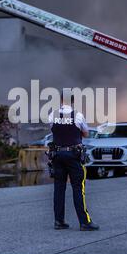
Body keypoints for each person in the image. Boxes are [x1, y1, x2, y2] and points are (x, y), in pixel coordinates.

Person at [48, 89, 99, 231]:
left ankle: (59, 221)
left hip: (57, 155)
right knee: (78, 188)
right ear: (73, 101)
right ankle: (84, 222)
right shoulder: (78, 115)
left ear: (60, 100)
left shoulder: (52, 114)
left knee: (59, 188)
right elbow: (86, 133)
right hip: (73, 156)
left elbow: (53, 129)